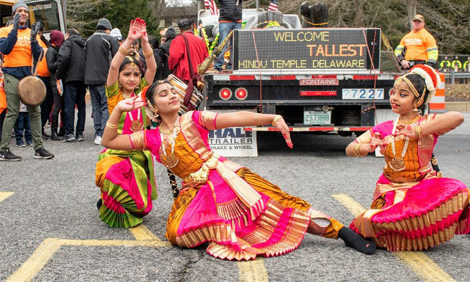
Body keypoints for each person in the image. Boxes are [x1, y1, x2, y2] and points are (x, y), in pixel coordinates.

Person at [101, 80, 376, 260]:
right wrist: (119, 111)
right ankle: (229, 228)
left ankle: (339, 232)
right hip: (194, 192)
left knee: (278, 205)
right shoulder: (151, 138)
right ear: (152, 106)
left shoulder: (193, 119)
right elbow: (109, 141)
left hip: (224, 177)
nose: (172, 95)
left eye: (173, 91)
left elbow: (234, 118)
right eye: (163, 94)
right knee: (177, 234)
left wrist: (271, 117)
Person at [345, 64, 470, 251]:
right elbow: (350, 148)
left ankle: (410, 233)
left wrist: (417, 131)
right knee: (368, 220)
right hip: (390, 190)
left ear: (418, 100)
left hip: (421, 186)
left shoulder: (427, 124)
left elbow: (457, 117)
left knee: (459, 190)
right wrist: (366, 147)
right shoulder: (384, 127)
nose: (394, 98)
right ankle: (410, 231)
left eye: (403, 94)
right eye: (393, 92)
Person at [95, 18, 158, 228]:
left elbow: (153, 66)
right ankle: (108, 200)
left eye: (135, 75)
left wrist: (145, 42)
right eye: (127, 74)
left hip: (139, 150)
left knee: (141, 204)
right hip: (117, 149)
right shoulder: (114, 95)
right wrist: (129, 40)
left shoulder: (143, 93)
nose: (131, 78)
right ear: (119, 77)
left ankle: (129, 203)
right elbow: (113, 65)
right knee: (112, 173)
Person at [0, 2, 54, 160]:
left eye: (25, 11)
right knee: (13, 112)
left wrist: (33, 39)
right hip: (12, 74)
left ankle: (39, 148)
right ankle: (3, 150)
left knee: (35, 112)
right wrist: (15, 28)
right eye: (19, 11)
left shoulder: (33, 32)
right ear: (13, 14)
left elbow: (38, 55)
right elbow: (5, 49)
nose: (23, 13)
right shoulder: (4, 31)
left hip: (29, 76)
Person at [85, 18, 118, 145]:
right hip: (105, 78)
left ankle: (97, 132)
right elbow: (116, 59)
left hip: (90, 78)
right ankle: (103, 133)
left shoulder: (88, 40)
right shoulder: (109, 39)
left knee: (96, 106)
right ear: (108, 28)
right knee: (105, 105)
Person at [209, 0, 249, 71]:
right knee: (223, 44)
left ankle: (233, 66)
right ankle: (218, 66)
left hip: (237, 21)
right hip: (225, 21)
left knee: (236, 45)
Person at [57, 28, 87, 142]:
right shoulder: (84, 44)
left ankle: (69, 133)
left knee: (69, 107)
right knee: (81, 107)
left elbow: (64, 58)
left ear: (68, 34)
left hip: (70, 77)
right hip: (83, 78)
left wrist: (59, 74)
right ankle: (80, 133)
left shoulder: (68, 43)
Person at [168, 18, 209, 87]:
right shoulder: (200, 41)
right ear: (191, 27)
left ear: (180, 29)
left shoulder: (179, 39)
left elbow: (174, 57)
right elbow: (206, 59)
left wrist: (171, 67)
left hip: (184, 78)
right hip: (199, 78)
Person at [34, 23, 53, 139]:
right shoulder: (33, 43)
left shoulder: (46, 43)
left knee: (48, 103)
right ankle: (37, 130)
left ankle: (41, 127)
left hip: (47, 77)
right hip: (38, 76)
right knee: (39, 105)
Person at [46, 30, 65, 140]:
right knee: (57, 106)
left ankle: (59, 130)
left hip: (58, 81)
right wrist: (60, 61)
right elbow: (50, 66)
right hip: (55, 82)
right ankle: (53, 132)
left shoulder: (54, 49)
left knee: (59, 106)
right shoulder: (51, 51)